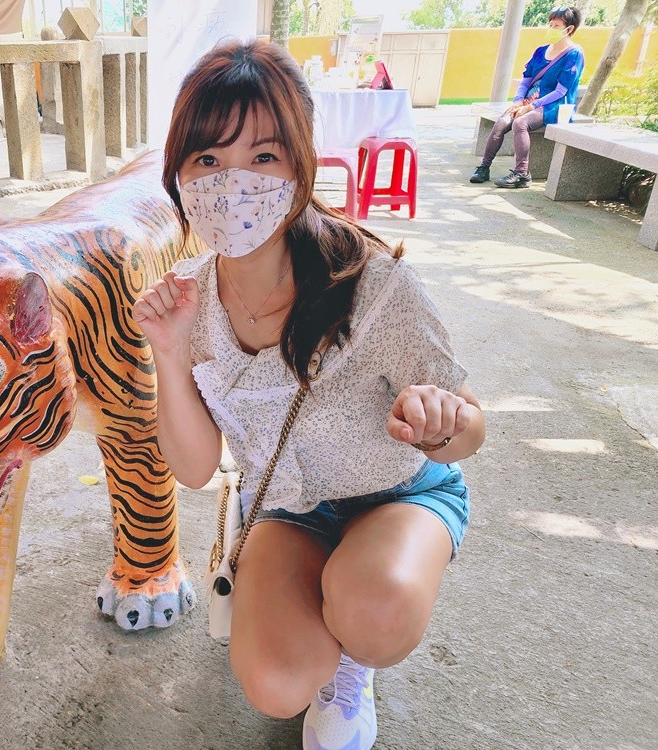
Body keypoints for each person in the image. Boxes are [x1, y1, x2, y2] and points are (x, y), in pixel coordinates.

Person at [132, 39, 486, 750]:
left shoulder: (375, 284)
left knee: (375, 612)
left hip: (398, 493)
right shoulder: (188, 303)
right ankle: (320, 624)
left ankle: (353, 660)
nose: (233, 182)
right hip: (289, 509)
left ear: (300, 165)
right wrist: (167, 353)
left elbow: (469, 428)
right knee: (275, 685)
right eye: (208, 159)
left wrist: (443, 424)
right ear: (178, 176)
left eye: (263, 155)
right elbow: (195, 469)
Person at [471, 6, 585, 189]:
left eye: (556, 25)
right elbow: (526, 81)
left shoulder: (574, 54)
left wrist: (531, 107)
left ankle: (522, 174)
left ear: (569, 29)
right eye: (550, 24)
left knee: (520, 123)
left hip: (554, 105)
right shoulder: (540, 51)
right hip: (529, 101)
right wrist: (518, 100)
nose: (551, 29)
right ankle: (484, 168)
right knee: (502, 122)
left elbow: (561, 91)